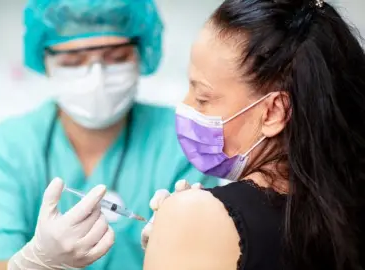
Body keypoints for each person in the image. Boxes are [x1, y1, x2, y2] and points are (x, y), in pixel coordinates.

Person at [0, 0, 219, 269]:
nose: (96, 76)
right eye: (73, 61)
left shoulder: (182, 139)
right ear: (45, 62)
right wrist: (33, 264)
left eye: (116, 58)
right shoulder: (2, 149)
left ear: (141, 53)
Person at [141, 0, 365, 269]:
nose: (185, 108)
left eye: (202, 98)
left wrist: (184, 226)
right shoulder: (347, 211)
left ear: (273, 112)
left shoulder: (193, 216)